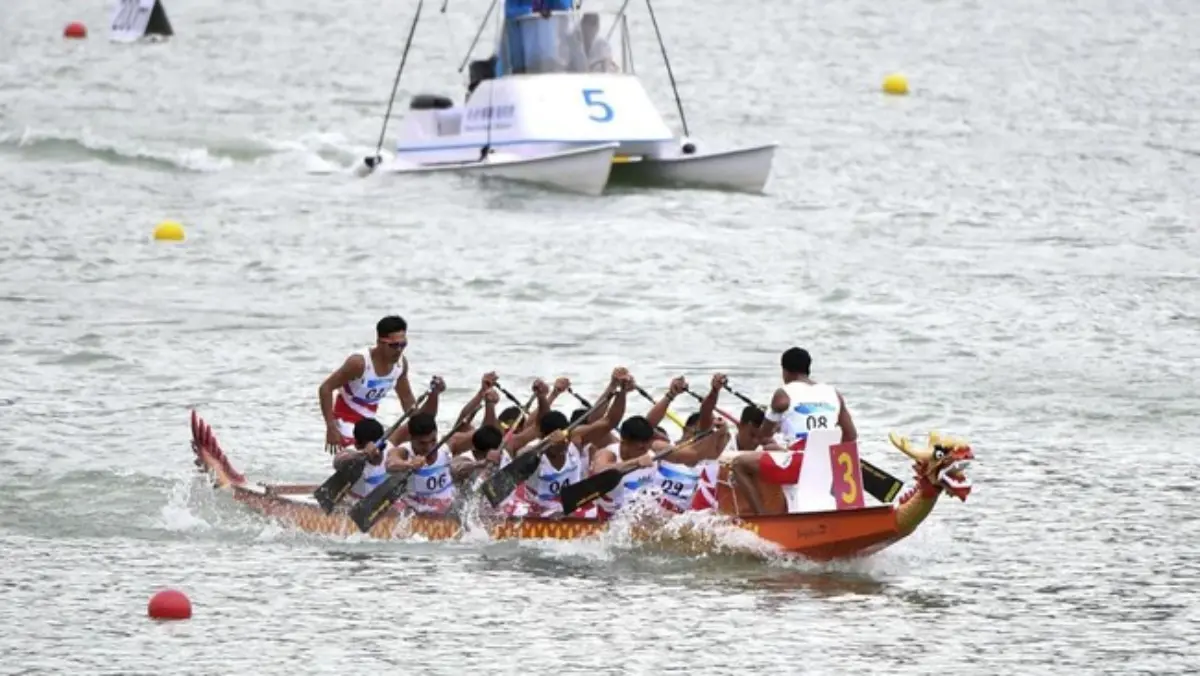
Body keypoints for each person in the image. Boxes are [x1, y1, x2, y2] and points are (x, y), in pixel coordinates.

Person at [730, 347, 858, 514]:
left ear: (785, 371)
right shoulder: (834, 394)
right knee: (780, 455)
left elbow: (763, 436)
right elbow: (850, 436)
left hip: (799, 464)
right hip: (829, 464)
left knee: (739, 465)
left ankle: (764, 519)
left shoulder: (783, 395)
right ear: (807, 369)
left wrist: (778, 437)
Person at [318, 315, 441, 453]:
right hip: (345, 423)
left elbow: (408, 402)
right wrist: (331, 427)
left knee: (419, 432)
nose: (399, 350)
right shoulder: (359, 363)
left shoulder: (400, 365)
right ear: (380, 342)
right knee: (369, 455)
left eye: (403, 344)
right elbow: (325, 388)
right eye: (394, 345)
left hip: (370, 426)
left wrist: (434, 395)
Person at [384, 412, 456, 515]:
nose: (429, 447)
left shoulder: (448, 445)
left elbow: (483, 437)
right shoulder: (404, 451)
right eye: (422, 443)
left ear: (436, 433)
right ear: (411, 438)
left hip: (445, 510)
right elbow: (390, 463)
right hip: (413, 512)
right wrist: (409, 464)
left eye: (433, 440)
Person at [330, 418, 392, 500]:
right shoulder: (352, 452)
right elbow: (337, 460)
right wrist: (363, 453)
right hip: (354, 501)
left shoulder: (390, 449)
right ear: (357, 445)